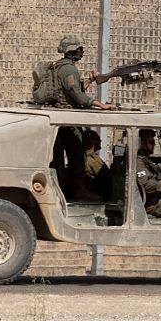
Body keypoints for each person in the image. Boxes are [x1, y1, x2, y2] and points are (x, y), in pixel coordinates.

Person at [48, 35, 112, 202]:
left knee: (60, 157)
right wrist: (100, 104)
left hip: (61, 119)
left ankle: (65, 189)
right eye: (79, 49)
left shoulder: (60, 67)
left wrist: (90, 80)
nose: (82, 52)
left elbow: (74, 89)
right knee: (77, 155)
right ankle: (77, 190)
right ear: (71, 50)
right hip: (67, 120)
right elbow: (77, 95)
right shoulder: (68, 69)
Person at [82, 128, 111, 199]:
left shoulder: (93, 157)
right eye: (98, 139)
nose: (100, 141)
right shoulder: (91, 159)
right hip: (98, 195)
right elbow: (105, 176)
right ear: (92, 142)